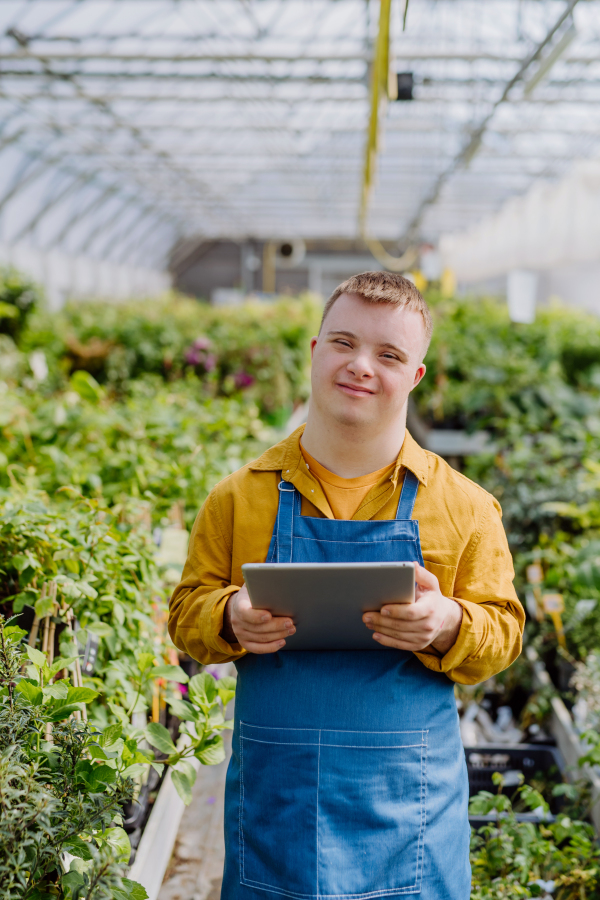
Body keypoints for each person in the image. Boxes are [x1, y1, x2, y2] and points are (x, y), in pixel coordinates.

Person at [169, 272, 525, 900]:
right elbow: (186, 612)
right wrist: (229, 617)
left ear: (415, 377)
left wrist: (447, 623)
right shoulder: (237, 499)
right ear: (314, 351)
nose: (361, 366)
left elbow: (504, 632)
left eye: (389, 354)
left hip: (407, 812)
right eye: (343, 343)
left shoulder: (466, 508)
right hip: (278, 805)